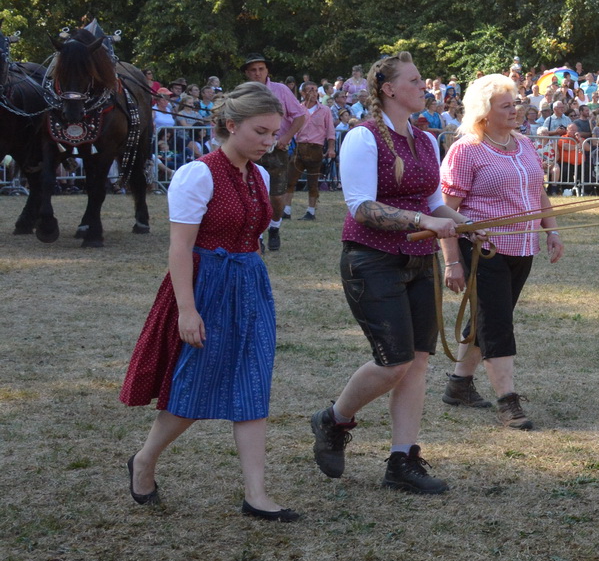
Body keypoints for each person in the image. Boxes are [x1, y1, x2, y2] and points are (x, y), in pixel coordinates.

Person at [119, 82, 298, 520]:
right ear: (231, 125)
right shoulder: (197, 174)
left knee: (253, 384)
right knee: (194, 386)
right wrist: (187, 309)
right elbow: (180, 248)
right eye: (261, 131)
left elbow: (252, 238)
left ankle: (256, 493)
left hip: (249, 286)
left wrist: (253, 288)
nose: (269, 142)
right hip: (205, 287)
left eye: (274, 133)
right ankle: (144, 459)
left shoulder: (259, 175)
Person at [310, 52, 462, 494]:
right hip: (371, 260)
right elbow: (362, 207)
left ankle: (402, 460)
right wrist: (424, 223)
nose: (425, 88)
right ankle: (334, 419)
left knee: (416, 363)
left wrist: (471, 224)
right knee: (393, 361)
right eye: (415, 81)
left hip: (419, 261)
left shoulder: (427, 140)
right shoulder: (364, 138)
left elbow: (434, 203)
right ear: (389, 89)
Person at [438, 74, 565, 428]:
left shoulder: (524, 143)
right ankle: (508, 402)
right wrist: (451, 262)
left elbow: (538, 192)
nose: (516, 110)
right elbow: (443, 211)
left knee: (489, 317)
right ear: (484, 112)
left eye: (516, 103)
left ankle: (458, 385)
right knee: (498, 322)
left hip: (522, 247)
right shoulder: (466, 150)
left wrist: (551, 231)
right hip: (482, 250)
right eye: (506, 105)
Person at [241, 54, 307, 251]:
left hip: (276, 149)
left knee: (277, 196)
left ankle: (275, 227)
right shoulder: (242, 93)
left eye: (261, 69)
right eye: (253, 70)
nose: (257, 73)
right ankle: (257, 236)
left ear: (267, 71)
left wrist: (286, 137)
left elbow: (300, 116)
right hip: (250, 150)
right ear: (247, 73)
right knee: (252, 194)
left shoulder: (281, 90)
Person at [288, 81, 335, 220]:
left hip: (316, 148)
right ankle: (286, 210)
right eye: (310, 90)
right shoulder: (298, 109)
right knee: (290, 180)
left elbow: (330, 131)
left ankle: (311, 211)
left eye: (315, 90)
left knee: (313, 182)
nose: (314, 93)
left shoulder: (325, 110)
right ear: (303, 93)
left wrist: (331, 148)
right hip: (300, 147)